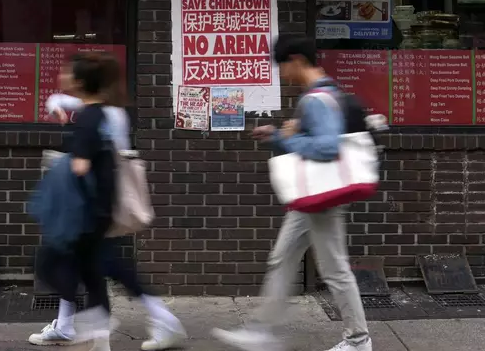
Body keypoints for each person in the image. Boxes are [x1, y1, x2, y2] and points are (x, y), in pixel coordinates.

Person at [211, 34, 372, 351]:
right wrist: (279, 134)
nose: (282, 74)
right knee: (283, 257)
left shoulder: (314, 99)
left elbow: (326, 148)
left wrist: (286, 140)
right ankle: (261, 331)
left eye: (282, 66)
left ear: (296, 60)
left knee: (335, 268)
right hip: (311, 195)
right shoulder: (326, 90)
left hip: (321, 194)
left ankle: (358, 340)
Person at [30, 53, 186, 351]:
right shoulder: (106, 111)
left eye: (68, 74)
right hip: (96, 205)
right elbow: (63, 102)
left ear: (82, 81)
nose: (62, 78)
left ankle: (150, 321)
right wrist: (58, 107)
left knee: (84, 264)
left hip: (90, 206)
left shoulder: (103, 115)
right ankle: (76, 329)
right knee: (91, 267)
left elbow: (84, 162)